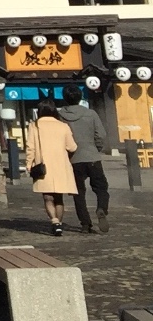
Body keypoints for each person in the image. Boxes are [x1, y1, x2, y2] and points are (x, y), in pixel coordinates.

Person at [55, 87, 111, 233]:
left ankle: (85, 223)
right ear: (80, 97)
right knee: (101, 188)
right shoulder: (90, 113)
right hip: (91, 155)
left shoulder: (60, 115)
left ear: (65, 98)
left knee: (78, 192)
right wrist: (96, 147)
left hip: (72, 158)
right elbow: (101, 135)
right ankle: (101, 208)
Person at [27, 102, 79, 238]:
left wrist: (29, 164)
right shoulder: (63, 126)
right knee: (59, 198)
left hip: (43, 165)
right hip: (61, 165)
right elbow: (72, 147)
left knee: (47, 197)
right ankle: (59, 224)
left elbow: (30, 147)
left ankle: (54, 221)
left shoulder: (35, 126)